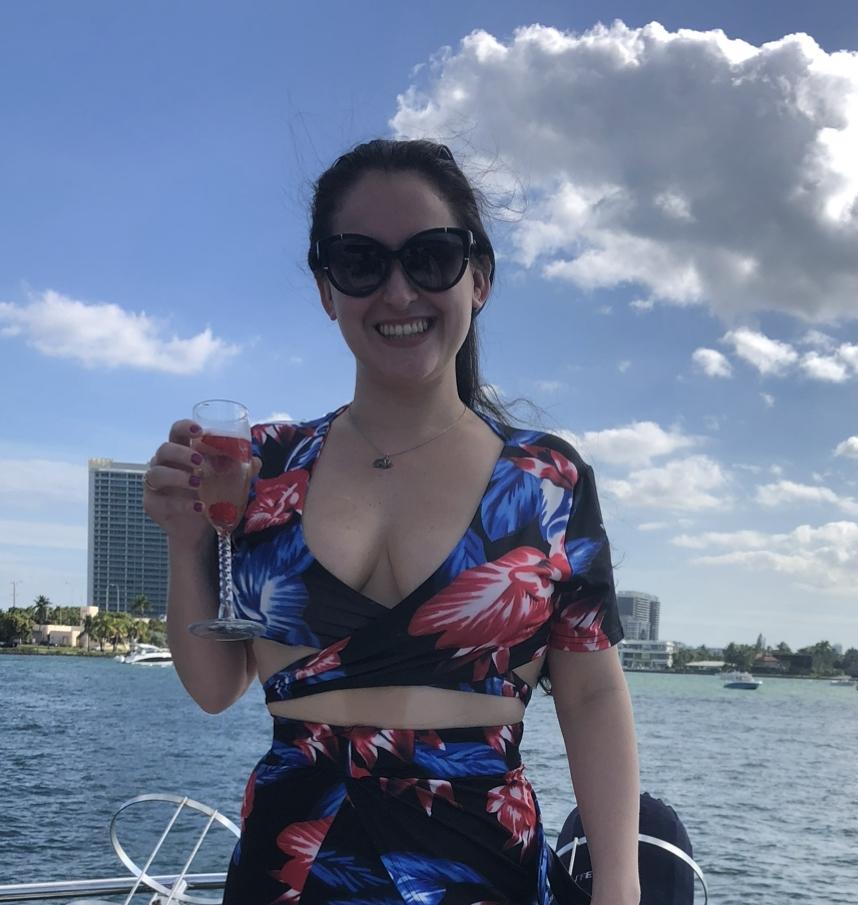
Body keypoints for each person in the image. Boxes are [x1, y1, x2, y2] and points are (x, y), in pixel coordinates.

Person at [144, 138, 640, 905]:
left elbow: (590, 696)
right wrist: (186, 542)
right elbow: (215, 686)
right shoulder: (262, 466)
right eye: (361, 262)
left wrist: (619, 885)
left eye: (431, 257)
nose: (399, 291)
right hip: (291, 871)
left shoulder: (545, 480)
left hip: (481, 872)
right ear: (326, 288)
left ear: (478, 279)